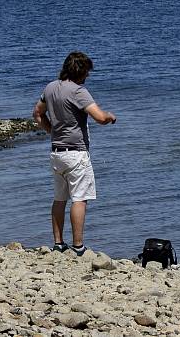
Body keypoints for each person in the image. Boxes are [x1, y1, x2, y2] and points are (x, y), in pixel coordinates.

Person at [32, 51, 116, 256]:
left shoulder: (50, 87)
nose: (88, 76)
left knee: (59, 198)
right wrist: (110, 117)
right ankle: (78, 246)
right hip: (76, 153)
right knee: (80, 198)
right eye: (87, 72)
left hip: (56, 153)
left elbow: (37, 113)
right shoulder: (79, 91)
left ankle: (58, 243)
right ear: (81, 72)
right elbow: (99, 117)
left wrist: (51, 131)